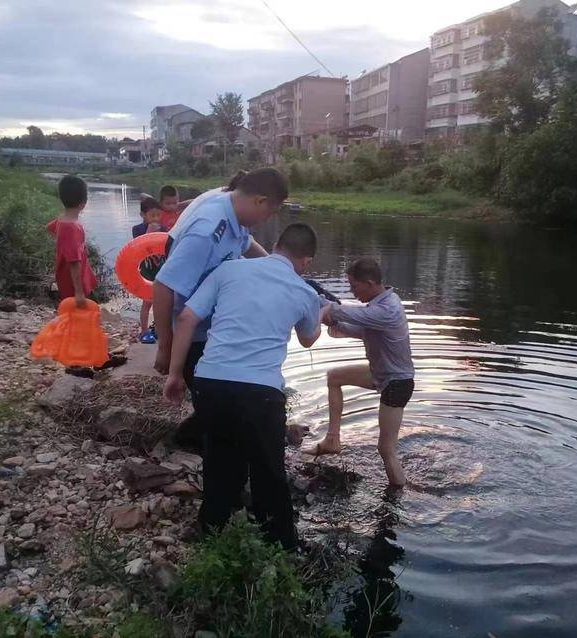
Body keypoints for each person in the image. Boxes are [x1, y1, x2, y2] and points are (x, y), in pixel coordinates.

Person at [163, 223, 325, 549]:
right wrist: (321, 311)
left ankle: (212, 533)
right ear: (306, 261)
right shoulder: (304, 292)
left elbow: (186, 319)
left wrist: (175, 374)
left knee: (220, 460)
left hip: (211, 382)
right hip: (260, 392)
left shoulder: (229, 270)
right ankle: (280, 547)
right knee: (268, 471)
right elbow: (308, 339)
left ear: (275, 243)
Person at [153, 168, 288, 446]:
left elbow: (247, 245)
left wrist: (280, 271)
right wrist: (165, 348)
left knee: (226, 405)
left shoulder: (235, 214)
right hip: (191, 333)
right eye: (271, 212)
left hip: (212, 326)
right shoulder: (207, 230)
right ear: (260, 201)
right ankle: (191, 449)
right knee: (218, 410)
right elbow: (163, 286)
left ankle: (199, 443)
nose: (268, 219)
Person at [304, 257, 414, 487]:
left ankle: (398, 493)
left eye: (354, 287)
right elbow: (358, 328)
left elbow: (349, 313)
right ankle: (332, 440)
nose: (353, 293)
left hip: (397, 383)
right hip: (381, 373)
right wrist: (331, 319)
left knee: (386, 449)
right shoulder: (377, 306)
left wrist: (326, 307)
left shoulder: (389, 309)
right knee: (334, 377)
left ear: (371, 282)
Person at [46, 175, 97, 309]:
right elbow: (74, 262)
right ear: (83, 203)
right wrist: (79, 292)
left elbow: (49, 228)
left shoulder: (62, 220)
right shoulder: (72, 228)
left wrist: (66, 246)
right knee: (78, 311)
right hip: (73, 283)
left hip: (64, 276)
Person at [133, 196, 164, 343]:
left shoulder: (163, 229)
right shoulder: (137, 229)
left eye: (158, 215)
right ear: (143, 215)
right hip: (147, 272)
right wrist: (148, 232)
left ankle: (157, 329)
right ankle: (144, 331)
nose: (156, 218)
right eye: (152, 215)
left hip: (160, 270)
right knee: (147, 302)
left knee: (160, 302)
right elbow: (137, 248)